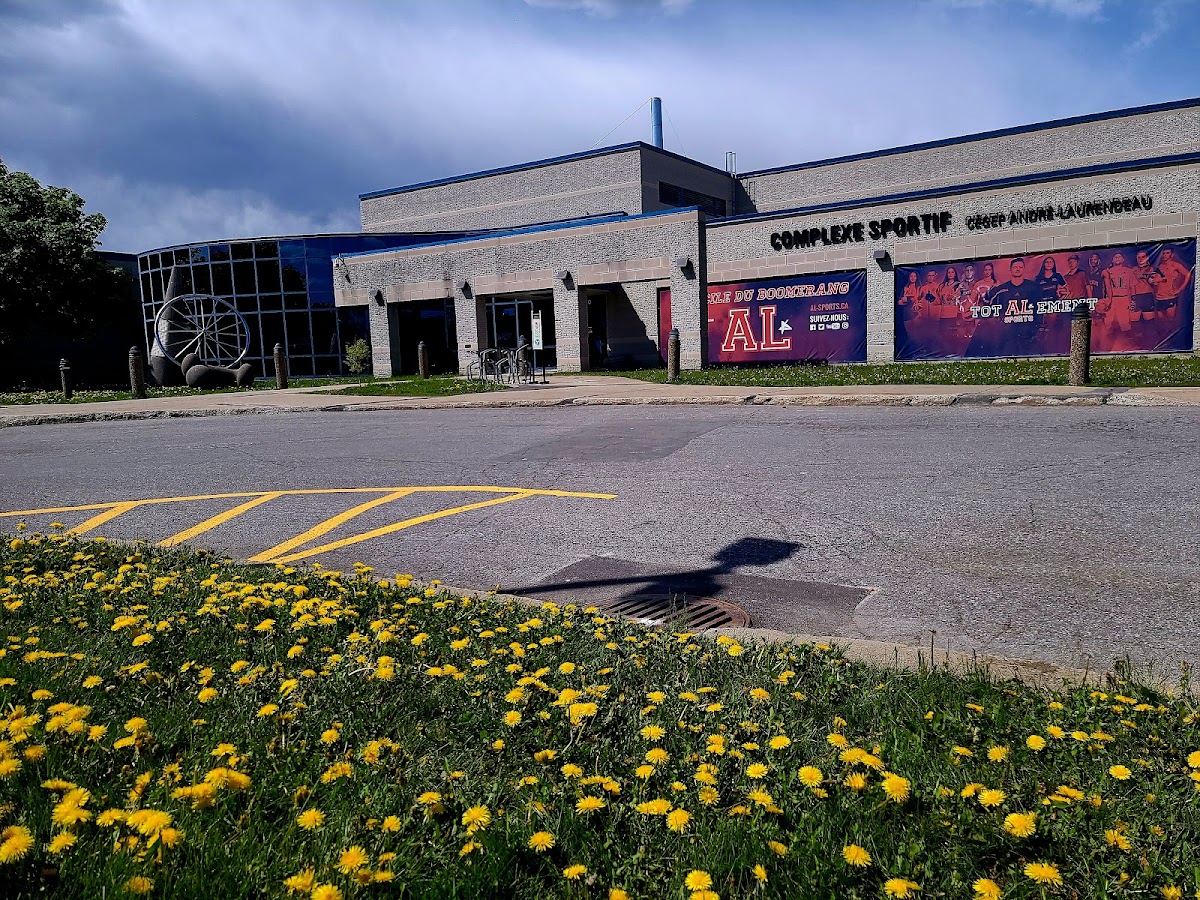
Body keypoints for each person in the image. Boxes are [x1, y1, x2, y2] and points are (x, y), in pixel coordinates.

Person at [1101, 251, 1135, 338]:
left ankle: (1127, 342)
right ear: (1112, 260)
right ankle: (1107, 343)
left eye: (1119, 257)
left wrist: (1133, 300)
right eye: (1115, 257)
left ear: (1123, 259)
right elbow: (1104, 288)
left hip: (1124, 298)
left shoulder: (1129, 271)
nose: (1117, 258)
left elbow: (1132, 287)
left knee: (1124, 322)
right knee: (1108, 321)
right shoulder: (1107, 271)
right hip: (1111, 299)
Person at [1153, 246, 1192, 319]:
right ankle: (1164, 330)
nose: (1165, 255)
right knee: (1161, 320)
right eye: (1163, 253)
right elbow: (1155, 280)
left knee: (1171, 319)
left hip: (1170, 296)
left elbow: (1188, 274)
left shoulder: (1175, 265)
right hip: (1159, 297)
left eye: (1167, 253)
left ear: (1172, 254)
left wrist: (1180, 289)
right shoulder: (1160, 266)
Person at [1131, 249, 1160, 322]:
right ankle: (1137, 333)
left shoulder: (1152, 268)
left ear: (1147, 258)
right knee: (1134, 321)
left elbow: (1157, 281)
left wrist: (1150, 279)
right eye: (1139, 257)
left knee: (1149, 321)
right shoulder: (1133, 269)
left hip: (1147, 296)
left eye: (1143, 257)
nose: (1141, 259)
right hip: (1135, 297)